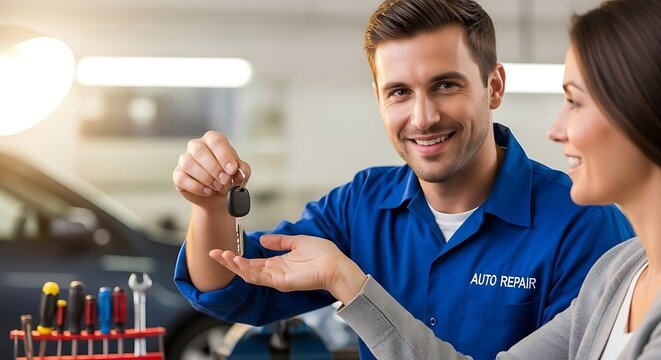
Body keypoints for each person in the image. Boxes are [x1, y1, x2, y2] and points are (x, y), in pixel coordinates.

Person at [172, 0, 634, 359]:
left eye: (445, 85)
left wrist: (349, 282)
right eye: (399, 92)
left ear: (493, 87)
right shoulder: (360, 207)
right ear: (378, 99)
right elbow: (231, 290)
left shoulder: (582, 222)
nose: (424, 117)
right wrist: (209, 205)